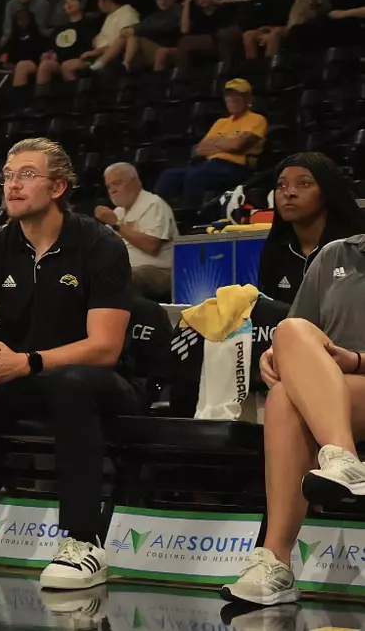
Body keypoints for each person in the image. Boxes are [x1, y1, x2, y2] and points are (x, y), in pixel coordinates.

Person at [0, 138, 137, 590]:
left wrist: (27, 362)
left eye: (27, 175)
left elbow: (105, 346)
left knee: (73, 385)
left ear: (58, 187)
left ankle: (83, 541)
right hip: (20, 374)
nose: (13, 185)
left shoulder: (99, 245)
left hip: (98, 383)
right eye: (8, 175)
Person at [223, 226, 365, 607]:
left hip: (357, 375)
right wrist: (278, 356)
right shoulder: (336, 255)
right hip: (339, 391)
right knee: (286, 381)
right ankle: (276, 563)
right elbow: (301, 334)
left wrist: (356, 360)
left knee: (289, 393)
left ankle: (342, 460)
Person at [257, 154, 365, 304]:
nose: (289, 193)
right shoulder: (275, 250)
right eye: (281, 185)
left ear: (327, 191)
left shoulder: (355, 247)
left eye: (304, 184)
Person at [153, 78, 267, 206]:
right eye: (228, 95)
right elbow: (199, 149)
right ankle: (159, 215)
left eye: (237, 95)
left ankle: (191, 216)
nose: (232, 99)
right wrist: (227, 143)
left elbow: (237, 145)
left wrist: (217, 142)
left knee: (196, 175)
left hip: (235, 168)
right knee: (169, 176)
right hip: (210, 165)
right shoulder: (221, 122)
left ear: (248, 99)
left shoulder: (257, 119)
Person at [94, 162, 176, 299]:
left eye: (117, 183)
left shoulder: (153, 204)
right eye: (109, 186)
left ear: (134, 182)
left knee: (126, 276)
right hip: (127, 269)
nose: (112, 190)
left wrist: (115, 224)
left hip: (160, 271)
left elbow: (151, 246)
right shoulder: (118, 212)